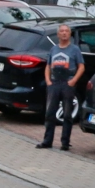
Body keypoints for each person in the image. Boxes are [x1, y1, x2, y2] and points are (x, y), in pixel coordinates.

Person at [37, 23, 86, 151]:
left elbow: (81, 66)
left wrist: (74, 80)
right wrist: (48, 80)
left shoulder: (74, 49)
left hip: (67, 83)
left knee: (67, 114)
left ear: (69, 34)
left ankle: (65, 142)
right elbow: (48, 66)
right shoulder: (53, 49)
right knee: (50, 113)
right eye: (62, 31)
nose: (64, 33)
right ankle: (47, 141)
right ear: (58, 34)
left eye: (66, 31)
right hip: (54, 83)